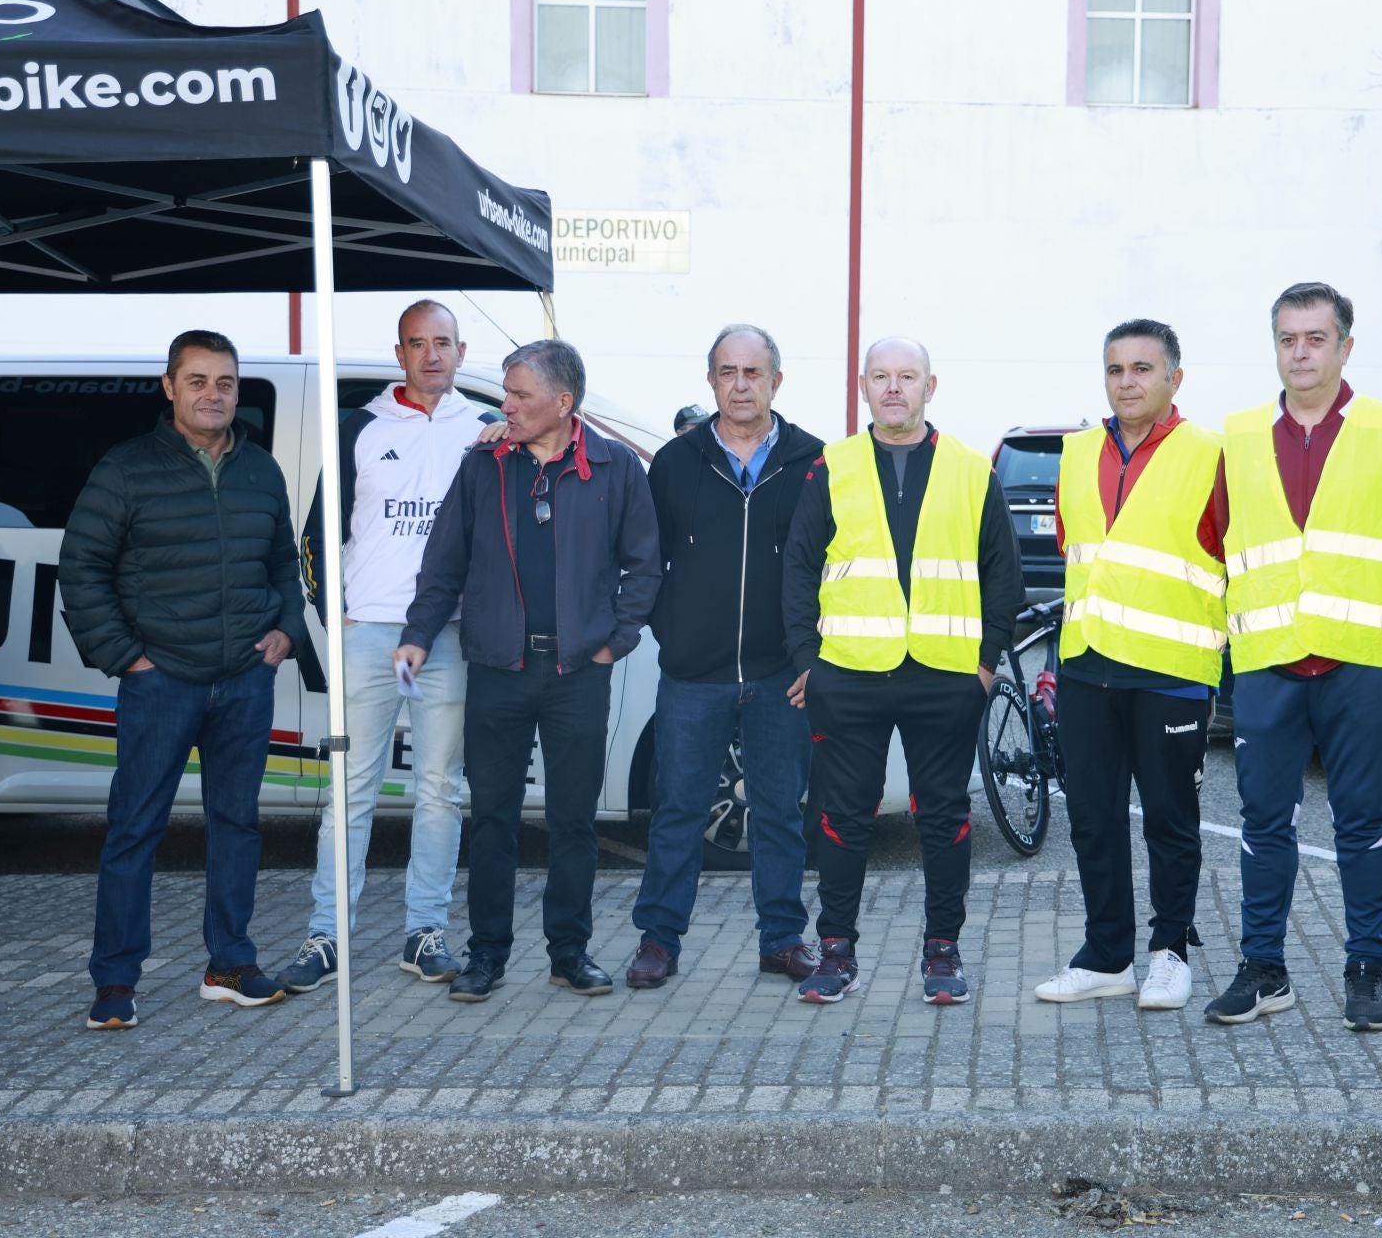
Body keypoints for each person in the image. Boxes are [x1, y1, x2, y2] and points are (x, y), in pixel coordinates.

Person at [60, 330, 310, 1030]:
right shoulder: (127, 468)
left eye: (225, 382)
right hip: (161, 681)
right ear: (169, 387)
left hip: (243, 680)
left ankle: (229, 964)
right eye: (197, 381)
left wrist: (286, 631)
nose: (213, 394)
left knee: (237, 825)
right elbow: (81, 571)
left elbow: (284, 566)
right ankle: (114, 982)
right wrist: (127, 657)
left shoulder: (260, 470)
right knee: (134, 830)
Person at [1202, 283, 1382, 1032]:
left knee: (1362, 821)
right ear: (1274, 346)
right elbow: (1215, 544)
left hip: (1359, 660)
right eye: (1287, 339)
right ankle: (1263, 968)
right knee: (1263, 822)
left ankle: (1366, 967)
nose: (1300, 352)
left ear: (1344, 346)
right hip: (1269, 660)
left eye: (1315, 338)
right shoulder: (1236, 438)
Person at [398, 339, 659, 1002]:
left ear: (562, 403)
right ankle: (487, 953)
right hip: (498, 669)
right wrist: (418, 636)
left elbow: (645, 565)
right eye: (507, 393)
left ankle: (569, 952)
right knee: (494, 818)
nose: (506, 405)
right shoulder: (485, 464)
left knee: (573, 821)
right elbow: (444, 562)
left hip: (577, 672)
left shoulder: (615, 466)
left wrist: (613, 642)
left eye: (520, 395)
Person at [782, 336, 1022, 1006]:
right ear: (863, 386)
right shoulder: (833, 465)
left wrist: (985, 664)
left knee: (943, 818)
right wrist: (809, 660)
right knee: (841, 817)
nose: (894, 388)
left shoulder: (974, 470)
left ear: (930, 386)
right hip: (850, 675)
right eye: (881, 376)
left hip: (945, 678)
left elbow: (1003, 575)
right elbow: (799, 568)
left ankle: (942, 954)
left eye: (906, 376)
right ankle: (836, 952)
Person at [279, 300, 493, 995]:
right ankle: (327, 934)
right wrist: (335, 613)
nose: (431, 355)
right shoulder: (359, 428)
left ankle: (424, 931)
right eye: (417, 344)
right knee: (351, 791)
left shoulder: (488, 433)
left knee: (438, 791)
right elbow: (315, 537)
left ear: (462, 352)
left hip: (451, 637)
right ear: (399, 354)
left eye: (443, 343)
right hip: (368, 634)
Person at [1030, 320, 1223, 1012]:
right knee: (1092, 818)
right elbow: (1073, 546)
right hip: (1087, 664)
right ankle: (1106, 955)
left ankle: (1169, 953)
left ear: (1175, 377)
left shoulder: (1211, 454)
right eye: (1116, 370)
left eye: (1143, 368)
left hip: (1170, 670)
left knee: (1169, 821)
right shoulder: (1077, 451)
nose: (1128, 382)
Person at [628, 325, 825, 988]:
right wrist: (674, 633)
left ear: (776, 380)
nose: (740, 384)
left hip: (779, 675)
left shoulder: (813, 463)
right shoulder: (677, 462)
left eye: (753, 372)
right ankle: (659, 940)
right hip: (694, 673)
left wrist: (811, 656)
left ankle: (782, 938)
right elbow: (646, 561)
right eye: (727, 372)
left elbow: (833, 569)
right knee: (679, 809)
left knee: (778, 811)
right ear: (711, 380)